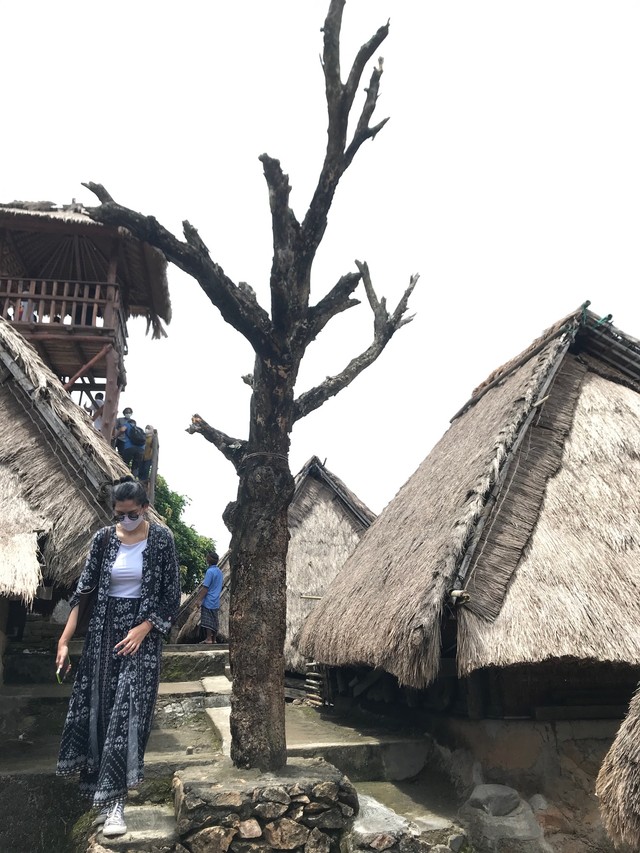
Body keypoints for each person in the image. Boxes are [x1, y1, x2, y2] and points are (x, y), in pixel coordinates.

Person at [56, 477, 181, 838]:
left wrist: (145, 628)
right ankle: (102, 797)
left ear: (144, 508)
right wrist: (64, 641)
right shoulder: (103, 540)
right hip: (103, 634)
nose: (126, 518)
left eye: (132, 513)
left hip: (142, 639)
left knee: (128, 715)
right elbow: (84, 592)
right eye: (119, 514)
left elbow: (171, 595)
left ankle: (116, 805)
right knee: (100, 712)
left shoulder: (162, 540)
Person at [195, 552, 223, 644]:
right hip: (216, 600)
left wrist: (199, 600)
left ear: (208, 560)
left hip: (208, 599)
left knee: (207, 620)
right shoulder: (219, 572)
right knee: (214, 619)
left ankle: (208, 638)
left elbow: (205, 587)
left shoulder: (209, 572)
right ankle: (214, 639)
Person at [114, 408, 144, 476]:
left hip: (129, 448)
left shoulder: (127, 424)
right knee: (135, 466)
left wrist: (115, 436)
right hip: (141, 450)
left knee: (125, 463)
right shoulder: (140, 429)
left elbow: (122, 430)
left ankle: (123, 476)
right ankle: (133, 479)